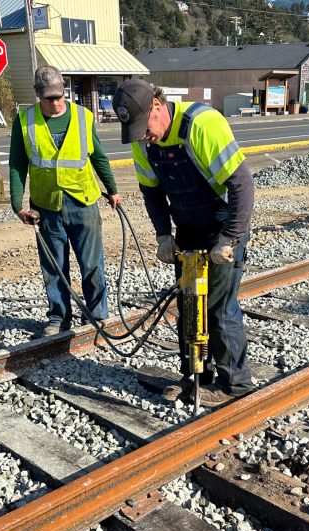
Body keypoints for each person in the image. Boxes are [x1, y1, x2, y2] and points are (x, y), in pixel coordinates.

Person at [112, 79, 253, 408]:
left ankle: (235, 383)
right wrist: (163, 234)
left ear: (157, 107)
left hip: (222, 226)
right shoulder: (143, 140)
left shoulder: (203, 125)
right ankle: (196, 379)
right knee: (190, 304)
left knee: (217, 308)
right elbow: (152, 191)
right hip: (188, 228)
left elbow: (242, 184)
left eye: (143, 127)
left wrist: (229, 238)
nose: (142, 136)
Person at [10, 66, 121, 336]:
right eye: (49, 98)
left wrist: (113, 189)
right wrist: (17, 204)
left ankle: (97, 314)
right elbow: (17, 165)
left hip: (83, 202)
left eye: (60, 96)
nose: (56, 103)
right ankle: (59, 317)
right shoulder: (25, 121)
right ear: (37, 94)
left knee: (92, 262)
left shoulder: (83, 116)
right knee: (53, 265)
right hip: (46, 206)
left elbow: (99, 157)